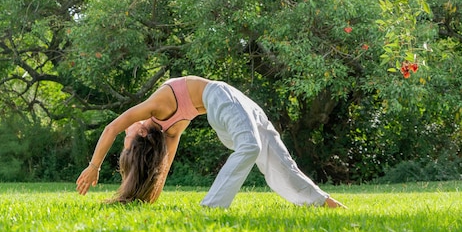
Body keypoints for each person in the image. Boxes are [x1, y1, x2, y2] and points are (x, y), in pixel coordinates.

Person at [76, 76, 345, 208]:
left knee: (278, 161)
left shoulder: (154, 107)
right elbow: (164, 170)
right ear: (143, 135)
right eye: (128, 138)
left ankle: (326, 204)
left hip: (224, 96)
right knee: (253, 147)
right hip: (225, 101)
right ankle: (212, 206)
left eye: (126, 137)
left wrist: (94, 166)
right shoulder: (168, 132)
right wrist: (147, 200)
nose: (126, 132)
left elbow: (112, 127)